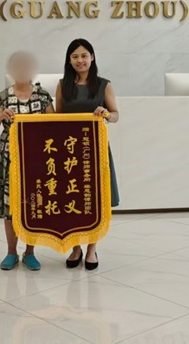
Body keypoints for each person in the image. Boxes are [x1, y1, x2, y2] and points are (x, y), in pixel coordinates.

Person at [55, 38, 120, 271]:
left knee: (95, 201)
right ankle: (75, 247)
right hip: (69, 151)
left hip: (95, 150)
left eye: (84, 55)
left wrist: (106, 113)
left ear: (92, 57)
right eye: (75, 56)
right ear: (69, 60)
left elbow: (115, 115)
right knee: (72, 199)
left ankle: (92, 249)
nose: (80, 60)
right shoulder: (62, 85)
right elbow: (57, 117)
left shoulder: (104, 85)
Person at [0, 51, 54, 271]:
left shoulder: (43, 96)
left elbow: (55, 126)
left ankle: (30, 252)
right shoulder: (3, 96)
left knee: (34, 205)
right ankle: (11, 252)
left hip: (36, 158)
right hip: (10, 158)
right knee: (11, 206)